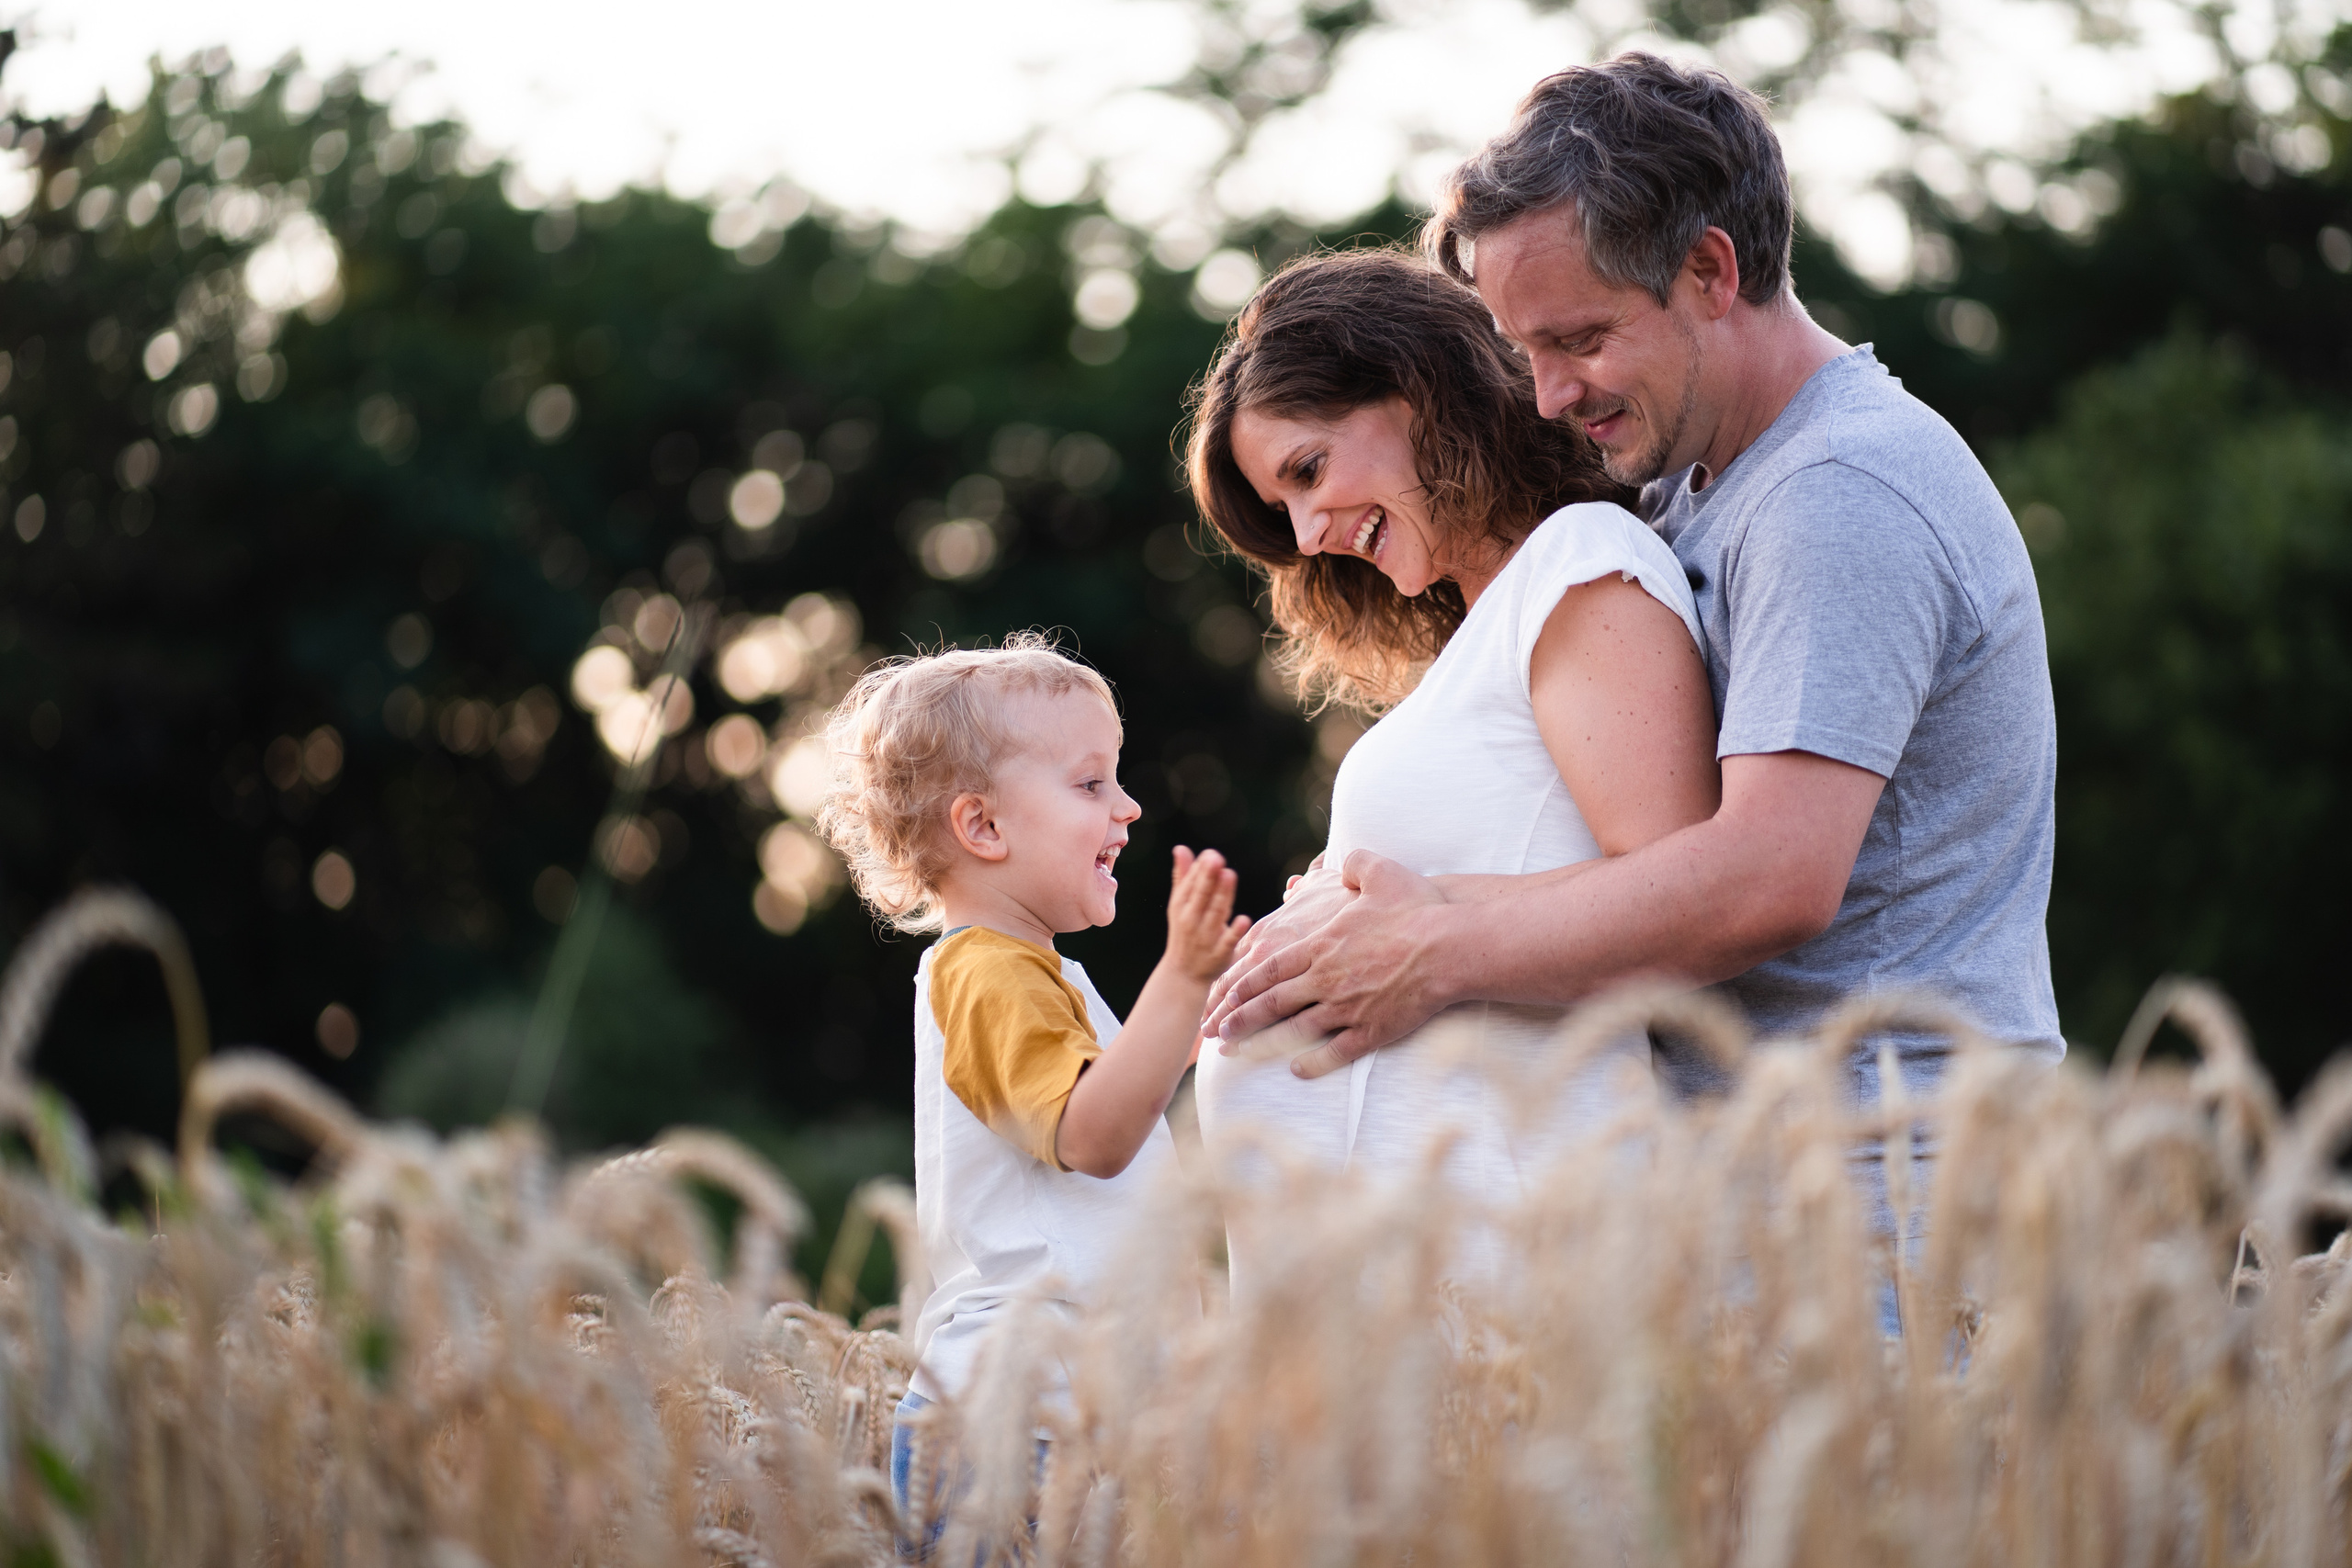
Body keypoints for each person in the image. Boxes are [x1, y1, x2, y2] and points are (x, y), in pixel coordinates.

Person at [1203, 55, 2064, 1174]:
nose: (1548, 392)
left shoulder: (1839, 492)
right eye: (1523, 351)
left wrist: (1430, 940)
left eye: (1578, 339)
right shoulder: (1693, 489)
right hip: (1762, 1184)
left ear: (1711, 270)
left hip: (1886, 1186)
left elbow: (1768, 879)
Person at [1181, 246, 1720, 1288]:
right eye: (1283, 515)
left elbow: (1686, 891)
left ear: (1418, 391)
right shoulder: (1490, 622)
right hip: (1404, 1264)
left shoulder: (1579, 567)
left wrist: (1419, 918)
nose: (1308, 534)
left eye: (1308, 471)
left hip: (1505, 1241)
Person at [814, 635, 1246, 1529]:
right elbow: (1093, 1137)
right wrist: (1181, 980)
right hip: (1012, 1421)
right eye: (1090, 784)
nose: (1127, 806)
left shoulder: (1033, 977)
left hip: (1058, 1411)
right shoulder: (985, 974)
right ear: (983, 827)